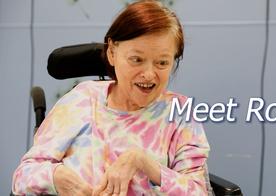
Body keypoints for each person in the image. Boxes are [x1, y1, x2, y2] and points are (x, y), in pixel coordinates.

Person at [12, 0, 210, 195]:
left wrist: (143, 162)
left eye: (162, 62)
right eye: (137, 59)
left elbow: (198, 191)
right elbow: (23, 177)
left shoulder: (179, 113)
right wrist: (55, 177)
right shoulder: (82, 100)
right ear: (112, 52)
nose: (149, 74)